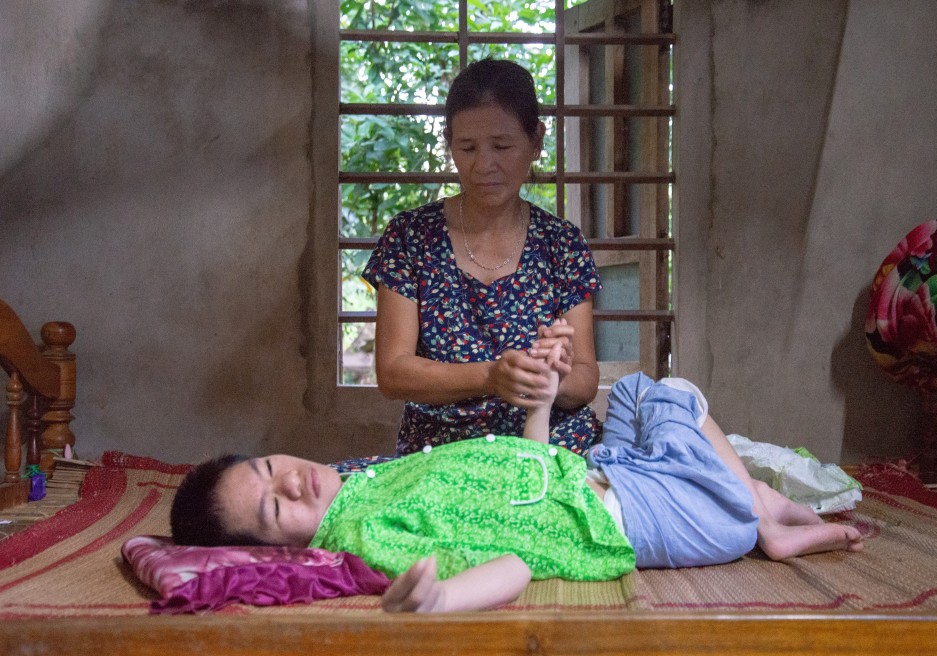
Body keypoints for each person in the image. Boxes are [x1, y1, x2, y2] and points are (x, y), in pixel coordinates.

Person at [171, 341, 864, 614]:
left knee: (633, 393)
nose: (291, 485)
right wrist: (440, 601)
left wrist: (540, 401)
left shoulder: (365, 481)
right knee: (680, 397)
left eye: (270, 470)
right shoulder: (367, 529)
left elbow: (520, 473)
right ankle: (762, 522)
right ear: (284, 549)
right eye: (272, 510)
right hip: (636, 514)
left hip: (598, 471)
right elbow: (510, 561)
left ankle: (760, 504)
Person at [361, 57, 602, 456]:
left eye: (502, 146)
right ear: (450, 143)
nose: (483, 165)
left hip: (552, 446)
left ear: (536, 140)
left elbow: (585, 377)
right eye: (467, 147)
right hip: (442, 452)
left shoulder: (562, 244)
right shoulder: (410, 238)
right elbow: (393, 372)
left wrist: (549, 378)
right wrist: (491, 376)